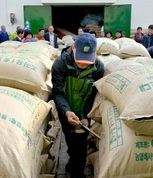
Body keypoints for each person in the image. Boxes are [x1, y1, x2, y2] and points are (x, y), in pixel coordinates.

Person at [51, 33, 104, 178]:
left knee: (81, 144)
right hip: (65, 108)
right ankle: (72, 160)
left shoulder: (98, 68)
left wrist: (86, 116)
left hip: (84, 109)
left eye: (87, 61)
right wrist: (67, 111)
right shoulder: (60, 64)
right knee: (70, 139)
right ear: (73, 48)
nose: (83, 64)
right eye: (80, 60)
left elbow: (93, 95)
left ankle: (77, 171)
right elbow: (58, 93)